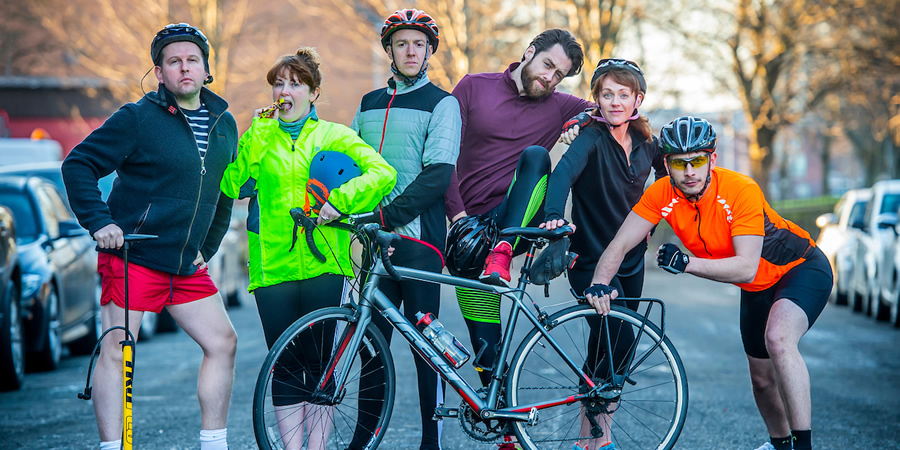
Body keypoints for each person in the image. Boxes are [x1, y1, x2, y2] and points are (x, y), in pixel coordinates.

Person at [583, 116, 832, 450]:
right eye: (679, 163)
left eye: (697, 161)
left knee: (778, 338)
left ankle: (804, 446)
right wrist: (599, 282)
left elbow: (745, 267)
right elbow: (621, 243)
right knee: (760, 380)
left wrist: (687, 263)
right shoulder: (662, 193)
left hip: (800, 269)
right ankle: (780, 444)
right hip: (756, 287)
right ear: (667, 164)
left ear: (712, 160)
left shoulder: (740, 189)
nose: (689, 171)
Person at [61, 23, 239, 450]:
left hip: (183, 265)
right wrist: (100, 221)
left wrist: (206, 249)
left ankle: (214, 443)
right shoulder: (137, 118)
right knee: (119, 352)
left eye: (192, 60)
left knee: (223, 342)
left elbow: (226, 192)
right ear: (159, 72)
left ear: (205, 69)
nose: (184, 68)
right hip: (133, 257)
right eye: (173, 61)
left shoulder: (224, 123)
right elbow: (78, 164)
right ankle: (114, 446)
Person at [219, 47, 396, 449]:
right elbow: (232, 184)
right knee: (283, 365)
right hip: (273, 267)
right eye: (279, 83)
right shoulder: (260, 136)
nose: (285, 91)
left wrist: (341, 202)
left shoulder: (334, 135)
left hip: (325, 266)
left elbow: (382, 174)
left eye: (295, 84)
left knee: (320, 366)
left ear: (313, 93)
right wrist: (258, 135)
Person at [443, 28, 591, 449]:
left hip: (515, 226)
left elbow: (609, 106)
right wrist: (457, 219)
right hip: (468, 233)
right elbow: (444, 155)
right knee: (487, 353)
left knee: (536, 156)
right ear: (529, 53)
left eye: (560, 75)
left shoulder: (560, 105)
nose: (550, 79)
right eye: (548, 66)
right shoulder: (473, 87)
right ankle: (509, 434)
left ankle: (503, 252)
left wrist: (581, 118)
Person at [541, 58, 666, 450]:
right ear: (597, 99)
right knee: (620, 338)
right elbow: (561, 175)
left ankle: (590, 440)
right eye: (606, 94)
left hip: (631, 262)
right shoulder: (590, 139)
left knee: (605, 349)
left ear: (637, 100)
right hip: (590, 260)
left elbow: (668, 188)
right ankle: (597, 437)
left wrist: (650, 227)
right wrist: (551, 217)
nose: (614, 102)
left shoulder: (649, 145)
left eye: (622, 95)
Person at [350, 8, 461, 450]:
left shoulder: (442, 102)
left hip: (417, 241)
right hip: (373, 243)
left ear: (429, 50)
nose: (410, 50)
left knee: (425, 347)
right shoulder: (368, 103)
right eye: (402, 44)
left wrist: (385, 218)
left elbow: (437, 176)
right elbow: (352, 166)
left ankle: (430, 443)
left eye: (419, 43)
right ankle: (360, 440)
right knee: (368, 347)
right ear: (390, 51)